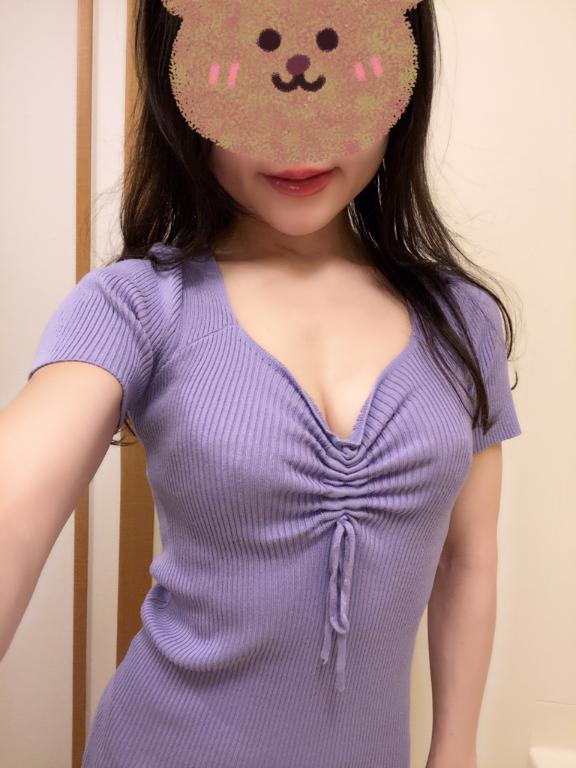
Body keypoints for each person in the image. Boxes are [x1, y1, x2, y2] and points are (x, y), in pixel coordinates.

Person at [0, 1, 522, 767]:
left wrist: (456, 749)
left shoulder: (461, 320)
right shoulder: (136, 305)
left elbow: (466, 557)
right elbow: (12, 513)